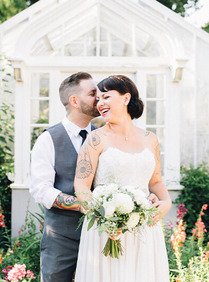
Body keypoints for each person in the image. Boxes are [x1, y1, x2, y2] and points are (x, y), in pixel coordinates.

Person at [74, 75, 172, 282]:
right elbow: (81, 185)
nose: (100, 104)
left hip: (143, 227)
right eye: (98, 100)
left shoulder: (150, 139)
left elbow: (155, 182)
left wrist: (166, 203)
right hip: (106, 230)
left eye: (106, 97)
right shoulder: (95, 139)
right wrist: (105, 217)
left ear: (126, 98)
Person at [30, 72, 100, 282]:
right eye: (92, 93)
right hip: (61, 238)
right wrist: (81, 204)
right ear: (74, 101)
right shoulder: (47, 139)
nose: (100, 98)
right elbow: (41, 189)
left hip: (99, 235)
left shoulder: (102, 137)